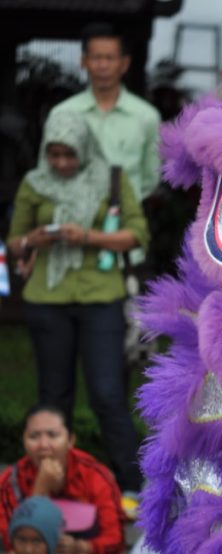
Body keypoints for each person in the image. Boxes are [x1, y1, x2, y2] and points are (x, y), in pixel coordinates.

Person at [7, 111, 148, 497]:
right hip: (46, 300)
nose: (62, 163)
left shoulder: (111, 178)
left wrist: (86, 236)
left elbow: (137, 235)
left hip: (100, 297)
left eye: (69, 154)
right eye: (54, 155)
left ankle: (131, 485)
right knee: (54, 396)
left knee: (107, 393)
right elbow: (13, 244)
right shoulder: (34, 184)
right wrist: (33, 238)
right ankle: (54, 484)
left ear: (84, 148)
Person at [0, 405, 125, 554]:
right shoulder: (9, 481)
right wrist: (40, 489)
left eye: (53, 435)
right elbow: (10, 544)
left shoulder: (96, 475)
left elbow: (116, 540)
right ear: (23, 440)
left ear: (70, 440)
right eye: (34, 436)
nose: (44, 445)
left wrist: (80, 547)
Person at [43, 23, 161, 206]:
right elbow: (45, 173)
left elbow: (150, 178)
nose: (103, 65)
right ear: (83, 61)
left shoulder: (146, 117)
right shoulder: (61, 113)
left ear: (124, 63)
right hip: (70, 219)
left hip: (124, 223)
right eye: (96, 58)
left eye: (110, 58)